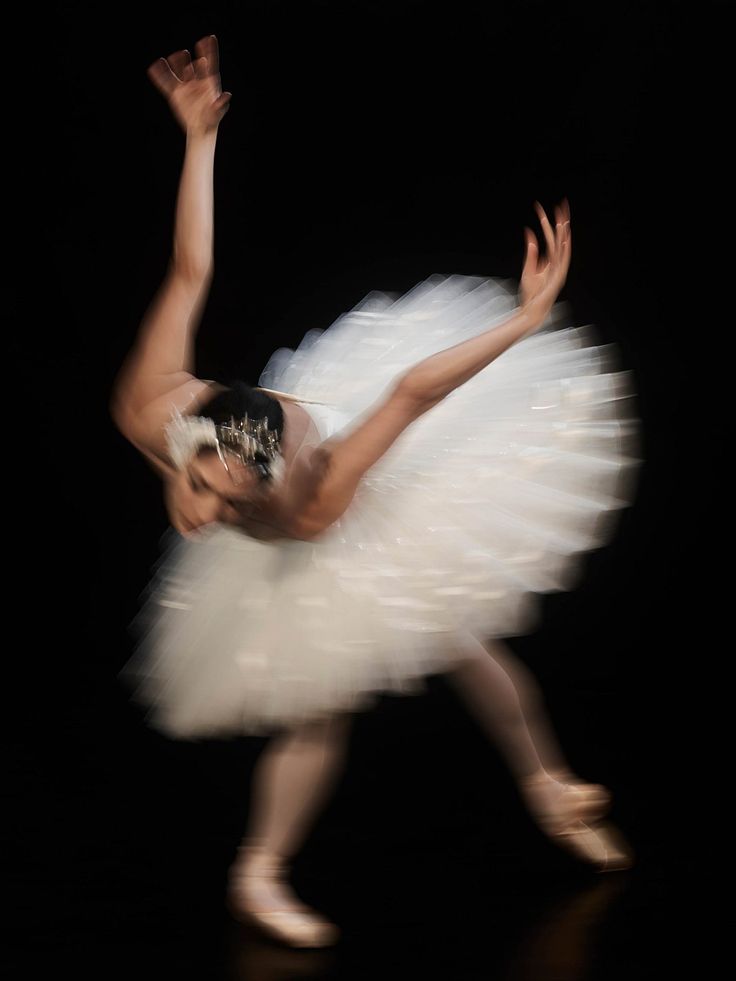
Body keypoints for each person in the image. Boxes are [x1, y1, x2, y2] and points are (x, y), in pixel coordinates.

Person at [111, 36, 641, 948]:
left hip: (339, 503)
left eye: (223, 503)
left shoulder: (311, 495)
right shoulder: (150, 406)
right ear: (188, 448)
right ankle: (259, 871)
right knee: (321, 714)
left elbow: (411, 392)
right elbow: (192, 269)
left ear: (259, 494)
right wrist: (199, 137)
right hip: (277, 468)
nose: (199, 515)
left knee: (446, 638)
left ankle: (549, 787)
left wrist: (522, 322)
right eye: (198, 485)